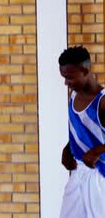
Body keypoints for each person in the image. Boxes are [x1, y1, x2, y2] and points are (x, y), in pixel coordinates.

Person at [58, 46, 105, 218]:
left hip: (100, 176)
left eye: (69, 78)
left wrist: (97, 150)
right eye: (64, 78)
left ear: (85, 70)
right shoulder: (73, 95)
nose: (66, 83)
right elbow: (82, 130)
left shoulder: (102, 101)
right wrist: (68, 147)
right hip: (79, 173)